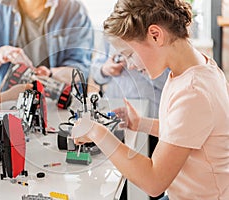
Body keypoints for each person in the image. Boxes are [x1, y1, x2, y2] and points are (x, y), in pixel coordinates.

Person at [72, 0, 229, 199]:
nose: (130, 65)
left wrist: (97, 132)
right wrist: (141, 124)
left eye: (129, 54)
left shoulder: (193, 91)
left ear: (155, 35)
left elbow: (153, 182)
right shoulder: (192, 69)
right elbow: (184, 132)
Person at [0, 0, 94, 90]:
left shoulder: (73, 10)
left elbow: (80, 70)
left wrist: (49, 74)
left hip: (57, 101)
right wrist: (1, 54)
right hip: (10, 100)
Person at [92, 42, 169, 118]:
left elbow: (170, 81)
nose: (129, 67)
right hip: (114, 103)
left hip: (150, 109)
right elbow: (95, 75)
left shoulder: (157, 39)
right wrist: (105, 70)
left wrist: (142, 66)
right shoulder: (109, 35)